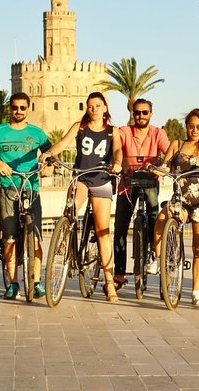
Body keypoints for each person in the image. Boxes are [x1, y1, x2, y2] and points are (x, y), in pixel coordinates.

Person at [41, 92, 123, 302]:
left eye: (97, 105)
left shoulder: (113, 132)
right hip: (81, 178)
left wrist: (117, 163)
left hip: (102, 179)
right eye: (90, 106)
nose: (93, 109)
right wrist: (50, 153)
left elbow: (118, 151)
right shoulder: (80, 127)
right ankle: (63, 242)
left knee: (103, 231)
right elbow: (63, 143)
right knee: (69, 211)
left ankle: (109, 282)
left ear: (105, 108)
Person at [0, 92, 52, 300]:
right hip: (8, 188)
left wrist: (48, 166)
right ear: (10, 108)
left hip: (31, 188)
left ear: (28, 108)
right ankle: (13, 283)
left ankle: (37, 282)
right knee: (10, 239)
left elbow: (49, 154)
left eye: (22, 108)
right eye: (15, 107)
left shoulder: (37, 133)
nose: (18, 111)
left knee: (37, 238)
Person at [151, 108, 199, 306]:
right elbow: (165, 166)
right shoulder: (177, 145)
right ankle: (158, 258)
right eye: (191, 126)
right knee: (162, 219)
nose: (195, 130)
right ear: (186, 126)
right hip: (181, 199)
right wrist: (160, 170)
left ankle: (196, 291)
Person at [112, 99, 170, 291]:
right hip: (127, 184)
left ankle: (155, 253)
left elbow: (168, 151)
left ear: (151, 114)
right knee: (120, 226)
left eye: (145, 112)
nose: (140, 116)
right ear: (132, 114)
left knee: (154, 214)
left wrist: (161, 166)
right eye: (137, 112)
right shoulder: (123, 132)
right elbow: (116, 150)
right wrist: (120, 162)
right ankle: (119, 273)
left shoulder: (158, 133)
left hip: (150, 182)